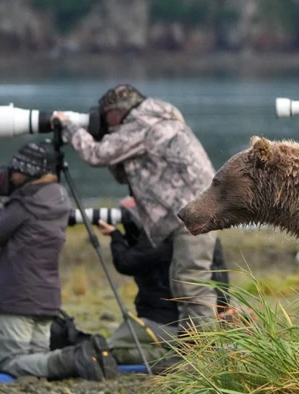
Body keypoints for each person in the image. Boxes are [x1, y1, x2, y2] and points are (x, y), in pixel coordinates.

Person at [52, 84, 220, 339]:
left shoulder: (141, 124)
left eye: (105, 116)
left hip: (191, 212)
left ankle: (204, 356)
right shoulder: (160, 118)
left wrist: (69, 125)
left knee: (191, 284)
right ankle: (194, 353)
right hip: (194, 209)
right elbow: (126, 172)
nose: (104, 122)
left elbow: (97, 155)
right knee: (184, 281)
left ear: (117, 112)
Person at [0, 141, 117, 382]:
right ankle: (79, 357)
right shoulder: (58, 198)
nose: (12, 174)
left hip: (16, 297)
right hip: (47, 297)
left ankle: (75, 358)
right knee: (37, 361)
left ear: (29, 172)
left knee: (10, 362)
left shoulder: (24, 203)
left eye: (16, 170)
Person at [94, 196, 237, 370]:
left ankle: (172, 357)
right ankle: (191, 351)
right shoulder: (202, 236)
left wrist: (116, 236)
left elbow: (126, 262)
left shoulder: (157, 238)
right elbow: (221, 280)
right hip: (198, 318)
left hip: (164, 320)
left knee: (109, 351)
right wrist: (221, 310)